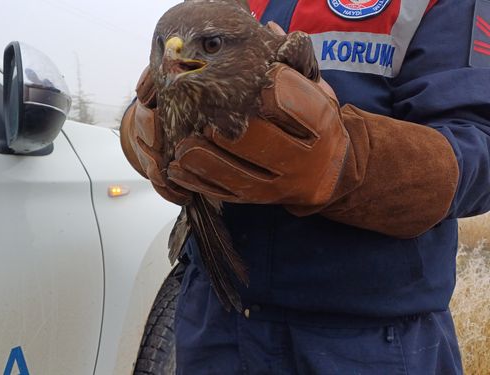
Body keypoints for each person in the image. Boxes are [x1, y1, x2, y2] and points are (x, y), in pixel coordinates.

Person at [120, 0, 490, 373]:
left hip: (368, 338)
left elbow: (478, 150)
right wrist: (141, 135)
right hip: (215, 319)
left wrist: (349, 164)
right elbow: (153, 96)